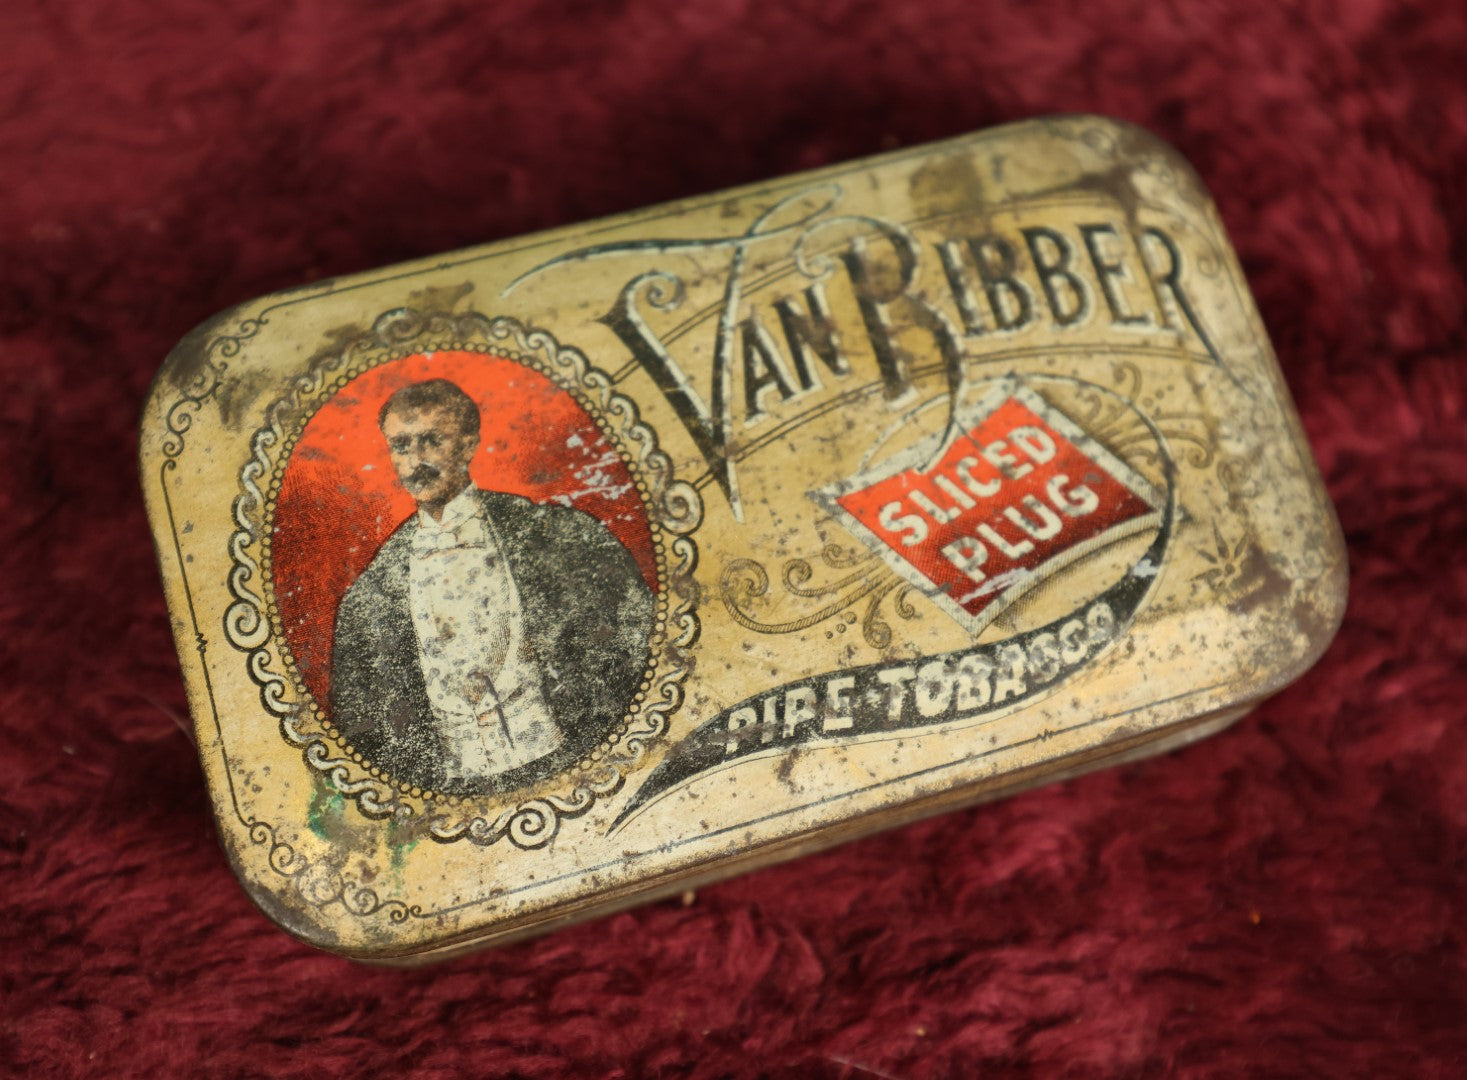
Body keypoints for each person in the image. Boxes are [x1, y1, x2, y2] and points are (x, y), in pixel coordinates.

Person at [329, 378, 655, 794]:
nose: (416, 461)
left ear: (469, 444)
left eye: (432, 441)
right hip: (456, 795)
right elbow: (361, 724)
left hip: (572, 766)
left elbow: (635, 648)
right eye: (402, 446)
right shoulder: (370, 594)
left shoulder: (563, 538)